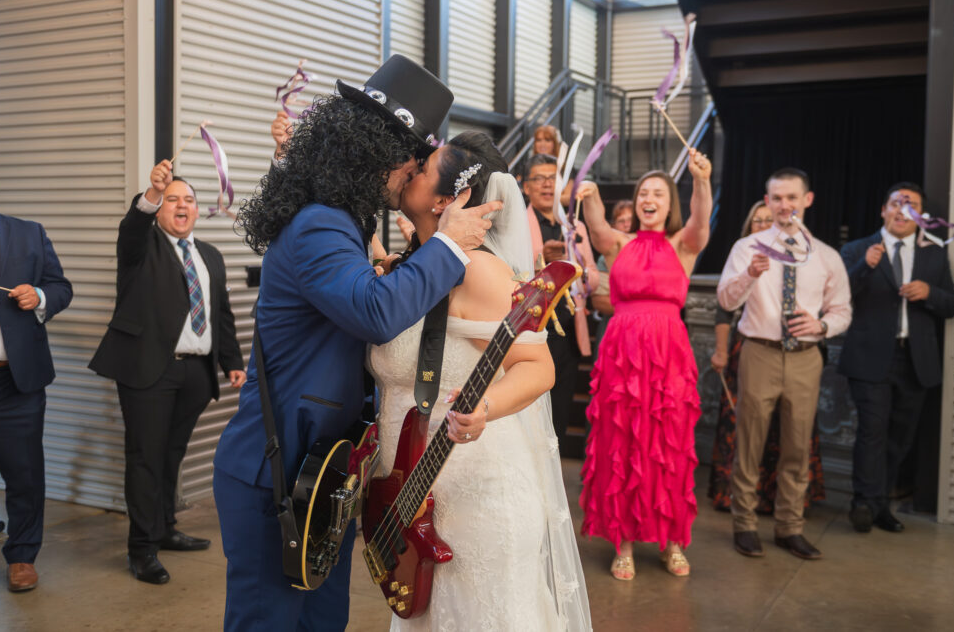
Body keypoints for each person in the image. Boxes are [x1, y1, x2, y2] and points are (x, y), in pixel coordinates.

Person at [211, 55, 501, 631]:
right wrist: (448, 245)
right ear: (377, 153)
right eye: (411, 159)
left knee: (323, 623)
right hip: (278, 472)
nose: (410, 174)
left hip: (324, 473)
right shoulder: (320, 224)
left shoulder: (340, 222)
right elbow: (374, 313)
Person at [369, 131, 590, 631]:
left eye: (423, 168)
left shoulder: (480, 272)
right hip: (411, 502)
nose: (410, 169)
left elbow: (538, 367)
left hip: (478, 499)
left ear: (449, 199)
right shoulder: (412, 266)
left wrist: (484, 407)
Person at [89, 164, 246, 584]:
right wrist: (151, 194)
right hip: (149, 371)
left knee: (171, 455)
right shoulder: (141, 246)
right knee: (145, 458)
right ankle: (141, 549)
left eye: (188, 200)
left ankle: (164, 529)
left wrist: (231, 362)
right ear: (159, 209)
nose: (181, 205)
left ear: (197, 209)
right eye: (172, 199)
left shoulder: (210, 255)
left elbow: (221, 313)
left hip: (196, 372)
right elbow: (132, 227)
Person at [577, 149, 713, 579]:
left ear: (670, 204)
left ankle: (673, 542)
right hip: (623, 353)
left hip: (669, 354)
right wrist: (591, 194)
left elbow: (701, 220)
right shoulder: (620, 245)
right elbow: (597, 227)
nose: (648, 199)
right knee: (623, 444)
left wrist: (702, 180)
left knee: (669, 445)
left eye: (658, 194)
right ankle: (624, 544)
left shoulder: (683, 245)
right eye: (642, 194)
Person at [717, 167, 851, 561]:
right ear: (767, 200)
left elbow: (842, 310)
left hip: (806, 358)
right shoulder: (747, 248)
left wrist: (822, 325)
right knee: (749, 443)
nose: (784, 205)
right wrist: (748, 275)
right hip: (759, 352)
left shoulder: (825, 255)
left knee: (797, 446)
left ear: (807, 200)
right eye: (776, 198)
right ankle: (744, 525)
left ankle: (790, 528)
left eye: (792, 197)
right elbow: (726, 301)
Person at [0, 150, 72, 592]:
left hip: (13, 379)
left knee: (24, 473)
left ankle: (23, 555)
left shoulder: (29, 234)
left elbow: (61, 288)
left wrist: (39, 297)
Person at [838, 182, 954, 533]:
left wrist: (930, 292)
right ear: (884, 210)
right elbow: (837, 295)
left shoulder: (934, 254)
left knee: (900, 438)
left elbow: (952, 305)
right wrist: (864, 266)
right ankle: (863, 503)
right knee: (872, 432)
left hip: (915, 360)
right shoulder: (857, 249)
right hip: (870, 358)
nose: (902, 210)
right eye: (896, 203)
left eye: (911, 205)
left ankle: (880, 505)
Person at [708, 201, 826, 512]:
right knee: (747, 427)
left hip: (795, 354)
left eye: (768, 220)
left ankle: (784, 500)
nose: (763, 225)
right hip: (750, 352)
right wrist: (721, 351)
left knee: (790, 427)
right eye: (757, 221)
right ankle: (740, 499)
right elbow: (724, 310)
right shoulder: (742, 258)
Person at [522, 153, 599, 447]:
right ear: (526, 186)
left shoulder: (575, 226)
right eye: (539, 179)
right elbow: (512, 274)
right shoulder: (517, 225)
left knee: (560, 413)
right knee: (530, 412)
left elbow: (592, 276)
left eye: (553, 179)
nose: (547, 185)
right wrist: (543, 262)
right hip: (532, 330)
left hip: (567, 329)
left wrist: (578, 268)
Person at [592, 199, 633, 344]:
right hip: (614, 330)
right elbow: (599, 301)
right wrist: (638, 307)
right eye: (621, 221)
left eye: (631, 219)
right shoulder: (605, 258)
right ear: (613, 226)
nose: (627, 224)